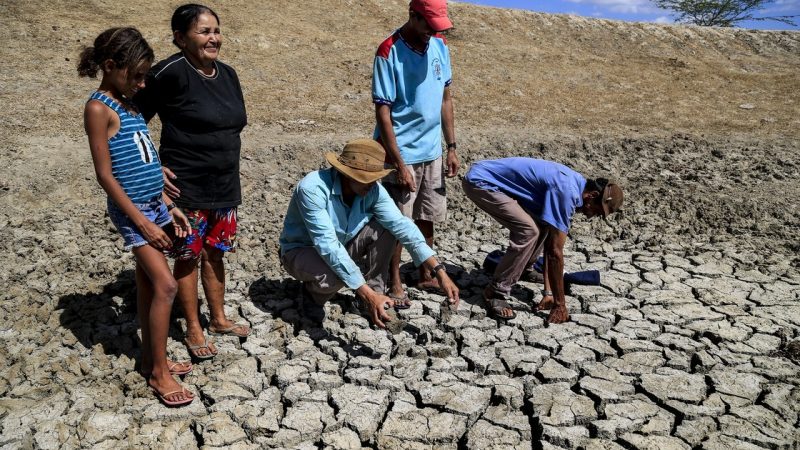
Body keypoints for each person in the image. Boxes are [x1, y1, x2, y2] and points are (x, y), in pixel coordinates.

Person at [79, 27, 194, 406]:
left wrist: (167, 203)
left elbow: (143, 159)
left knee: (148, 285)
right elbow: (105, 175)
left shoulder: (129, 104)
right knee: (166, 285)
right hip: (133, 212)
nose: (143, 84)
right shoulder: (99, 109)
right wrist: (141, 221)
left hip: (154, 204)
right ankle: (159, 374)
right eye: (138, 75)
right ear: (111, 66)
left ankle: (151, 360)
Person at [135, 4, 249, 360]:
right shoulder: (168, 73)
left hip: (225, 184)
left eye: (216, 31)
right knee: (189, 255)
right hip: (186, 187)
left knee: (216, 251)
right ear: (180, 38)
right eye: (204, 32)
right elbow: (131, 122)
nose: (213, 38)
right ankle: (193, 327)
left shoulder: (228, 74)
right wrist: (154, 169)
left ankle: (218, 318)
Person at [279, 139, 460, 328]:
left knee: (387, 229)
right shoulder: (312, 189)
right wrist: (366, 293)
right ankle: (312, 297)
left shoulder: (373, 189)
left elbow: (402, 225)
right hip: (301, 251)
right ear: (347, 174)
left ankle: (375, 297)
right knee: (335, 275)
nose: (373, 183)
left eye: (375, 177)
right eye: (366, 178)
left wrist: (439, 271)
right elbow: (328, 246)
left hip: (342, 245)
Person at [372, 0, 460, 308]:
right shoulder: (389, 51)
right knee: (399, 221)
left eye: (437, 28)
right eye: (427, 26)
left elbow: (445, 99)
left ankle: (425, 272)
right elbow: (383, 111)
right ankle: (394, 279)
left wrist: (451, 147)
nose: (431, 33)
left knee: (427, 215)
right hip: (403, 153)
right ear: (413, 16)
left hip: (432, 151)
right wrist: (398, 162)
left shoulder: (440, 45)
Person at [462, 158, 623, 324]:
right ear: (592, 195)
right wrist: (560, 305)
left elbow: (550, 240)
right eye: (596, 211)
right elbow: (555, 252)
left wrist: (548, 293)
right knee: (528, 231)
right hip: (481, 182)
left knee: (541, 226)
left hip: (489, 180)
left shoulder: (574, 186)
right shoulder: (566, 192)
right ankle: (495, 291)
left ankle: (524, 268)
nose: (591, 216)